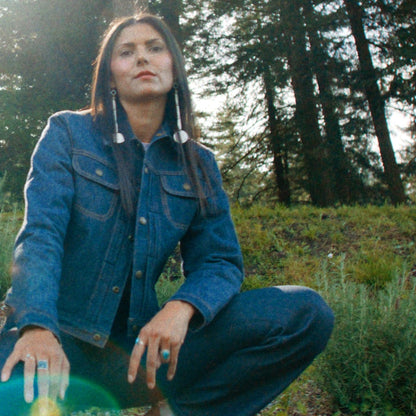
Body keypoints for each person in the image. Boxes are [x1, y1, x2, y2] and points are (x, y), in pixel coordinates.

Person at [0, 13, 334, 416]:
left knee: (303, 313)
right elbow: (41, 235)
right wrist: (37, 326)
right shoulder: (68, 134)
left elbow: (220, 261)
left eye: (154, 48)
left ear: (173, 67)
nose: (142, 59)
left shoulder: (199, 164)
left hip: (142, 355)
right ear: (110, 75)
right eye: (127, 52)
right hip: (58, 344)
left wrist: (180, 309)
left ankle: (177, 412)